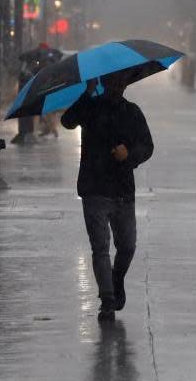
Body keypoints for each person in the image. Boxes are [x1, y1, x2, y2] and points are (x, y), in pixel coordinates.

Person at [61, 72, 153, 322]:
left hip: (123, 190)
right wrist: (86, 93)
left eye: (121, 82)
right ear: (104, 83)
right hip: (94, 189)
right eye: (113, 82)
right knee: (100, 248)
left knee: (127, 246)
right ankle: (107, 300)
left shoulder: (132, 112)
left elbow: (147, 146)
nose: (117, 86)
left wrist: (129, 154)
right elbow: (67, 121)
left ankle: (116, 279)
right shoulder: (89, 107)